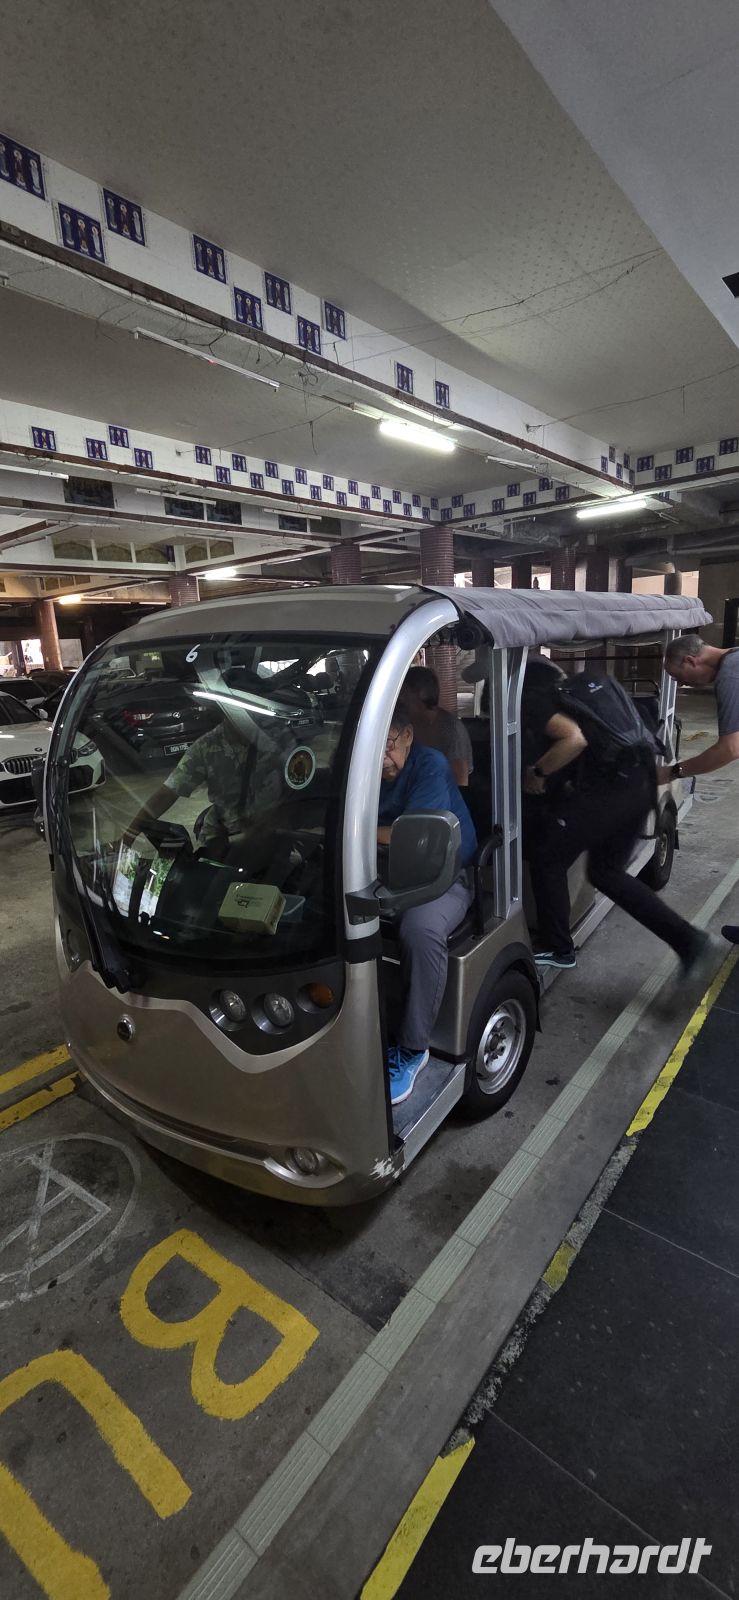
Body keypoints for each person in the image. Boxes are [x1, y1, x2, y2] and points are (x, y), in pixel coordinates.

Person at [522, 669, 721, 978]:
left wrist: (538, 773)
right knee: (605, 873)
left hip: (610, 790)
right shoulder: (574, 694)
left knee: (547, 856)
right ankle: (689, 941)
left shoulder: (532, 699)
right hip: (640, 781)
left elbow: (574, 740)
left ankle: (558, 948)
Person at [379, 698, 478, 1105]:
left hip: (442, 875)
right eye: (374, 747)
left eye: (389, 744)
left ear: (407, 735)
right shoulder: (364, 765)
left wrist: (353, 831)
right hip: (382, 871)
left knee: (420, 930)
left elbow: (417, 840)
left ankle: (413, 1048)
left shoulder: (430, 764)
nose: (382, 757)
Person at [122, 709, 289, 852]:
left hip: (272, 831)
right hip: (230, 839)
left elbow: (299, 778)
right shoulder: (206, 747)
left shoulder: (274, 737)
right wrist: (128, 837)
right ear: (225, 712)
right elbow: (167, 793)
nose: (249, 717)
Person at [657, 633, 739, 784]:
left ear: (690, 661)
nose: (680, 683)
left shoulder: (730, 674)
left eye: (677, 676)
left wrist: (673, 772)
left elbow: (730, 748)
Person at [401, 665, 474, 786]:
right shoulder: (407, 723)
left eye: (404, 693)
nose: (400, 699)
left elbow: (460, 781)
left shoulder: (451, 729)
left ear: (423, 693)